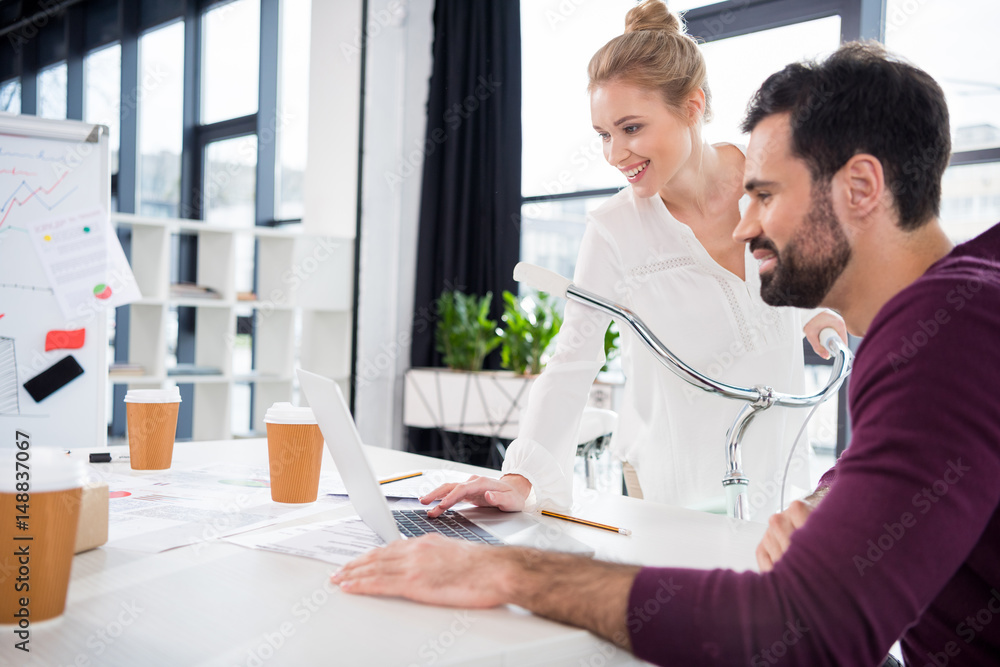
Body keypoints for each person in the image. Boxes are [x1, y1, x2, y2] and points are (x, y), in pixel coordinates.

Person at [333, 43, 1000, 665]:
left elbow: (800, 624)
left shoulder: (942, 341)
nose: (744, 225)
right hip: (684, 478)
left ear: (860, 187)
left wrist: (506, 569)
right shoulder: (964, 307)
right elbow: (573, 356)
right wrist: (840, 500)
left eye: (764, 196)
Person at [422, 0, 845, 520]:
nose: (615, 154)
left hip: (781, 469)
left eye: (631, 128)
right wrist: (520, 475)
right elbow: (573, 358)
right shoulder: (615, 230)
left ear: (692, 106)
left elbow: (808, 276)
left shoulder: (775, 181)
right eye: (604, 134)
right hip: (676, 487)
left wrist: (818, 309)